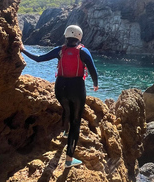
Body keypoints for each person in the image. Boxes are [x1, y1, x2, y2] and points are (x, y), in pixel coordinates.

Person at [20, 25, 98, 168]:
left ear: (65, 35)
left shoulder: (59, 50)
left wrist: (23, 49)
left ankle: (65, 132)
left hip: (60, 87)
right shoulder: (83, 51)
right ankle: (69, 159)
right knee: (76, 122)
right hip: (76, 87)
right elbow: (92, 70)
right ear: (79, 36)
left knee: (66, 108)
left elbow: (38, 59)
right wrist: (95, 83)